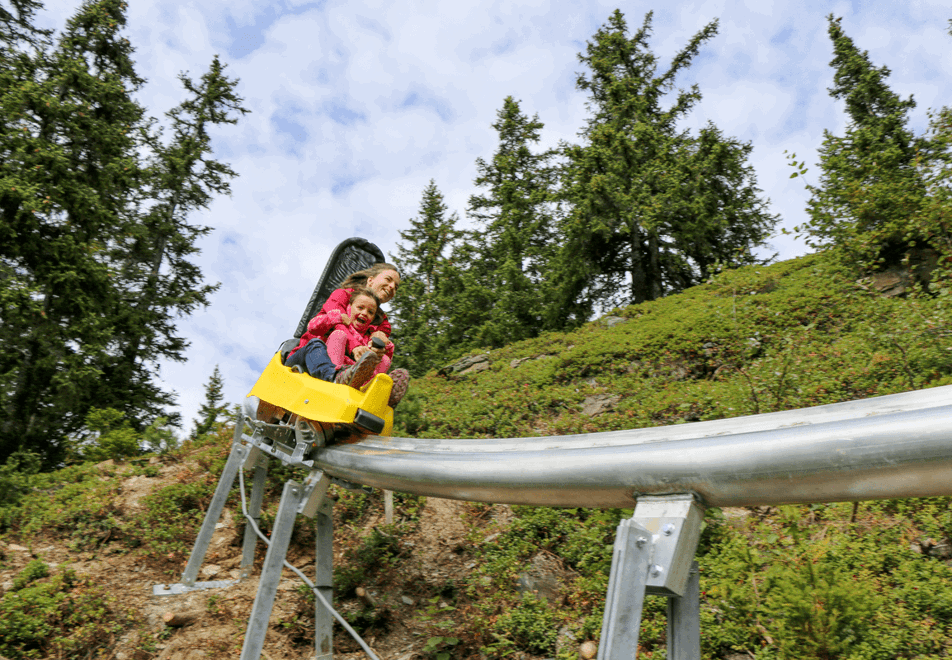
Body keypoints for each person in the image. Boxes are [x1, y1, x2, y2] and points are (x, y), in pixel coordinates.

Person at [286, 263, 409, 407]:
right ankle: (333, 379)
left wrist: (379, 348)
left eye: (396, 286)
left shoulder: (382, 321)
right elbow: (336, 325)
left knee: (382, 359)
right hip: (310, 358)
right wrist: (355, 348)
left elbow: (382, 338)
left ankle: (373, 393)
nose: (392, 287)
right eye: (388, 279)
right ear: (370, 280)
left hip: (347, 367)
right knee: (332, 338)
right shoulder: (343, 295)